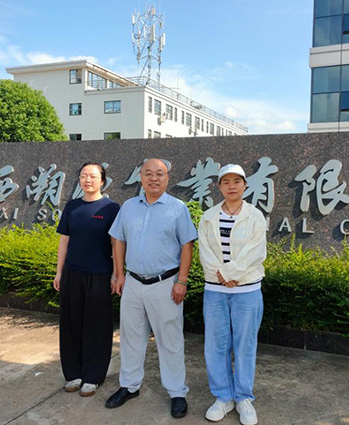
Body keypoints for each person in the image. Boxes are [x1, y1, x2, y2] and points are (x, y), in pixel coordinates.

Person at [105, 158, 197, 419]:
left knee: (170, 340)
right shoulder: (128, 207)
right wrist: (118, 274)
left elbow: (187, 245)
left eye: (159, 174)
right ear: (141, 177)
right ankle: (129, 386)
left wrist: (181, 281)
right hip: (133, 283)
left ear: (167, 178)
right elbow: (118, 240)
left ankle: (177, 392)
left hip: (165, 284)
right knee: (131, 338)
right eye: (148, 173)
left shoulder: (177, 208)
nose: (153, 178)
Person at [197, 164, 267, 425]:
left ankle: (244, 398)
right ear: (219, 187)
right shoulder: (208, 216)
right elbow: (205, 251)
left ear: (245, 185)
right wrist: (224, 276)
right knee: (216, 345)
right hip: (215, 290)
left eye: (237, 181)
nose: (232, 186)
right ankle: (223, 397)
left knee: (245, 345)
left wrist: (232, 273)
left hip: (247, 290)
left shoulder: (255, 216)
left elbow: (256, 251)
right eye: (226, 182)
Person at [53, 162, 120, 397]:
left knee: (97, 326)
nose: (87, 180)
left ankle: (93, 376)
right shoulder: (72, 206)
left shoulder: (111, 208)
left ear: (102, 181)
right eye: (83, 176)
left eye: (92, 176)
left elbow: (116, 244)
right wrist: (59, 272)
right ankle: (73, 374)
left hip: (99, 274)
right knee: (71, 324)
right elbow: (64, 240)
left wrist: (117, 274)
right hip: (72, 273)